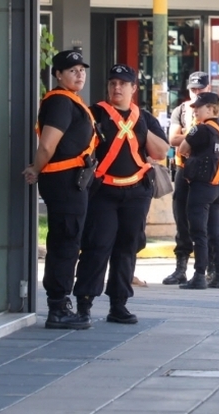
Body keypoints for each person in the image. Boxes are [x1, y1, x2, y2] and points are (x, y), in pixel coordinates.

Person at [73, 65, 169, 325]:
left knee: (127, 248)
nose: (117, 88)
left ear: (133, 89)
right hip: (103, 191)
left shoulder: (145, 117)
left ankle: (119, 304)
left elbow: (161, 152)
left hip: (136, 192)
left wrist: (136, 124)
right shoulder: (95, 113)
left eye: (123, 84)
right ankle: (84, 304)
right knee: (97, 246)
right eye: (113, 83)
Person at [23, 50, 97, 330]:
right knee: (65, 242)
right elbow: (46, 145)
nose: (79, 75)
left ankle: (60, 303)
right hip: (64, 181)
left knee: (69, 240)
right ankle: (58, 306)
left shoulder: (71, 102)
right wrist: (35, 169)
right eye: (72, 70)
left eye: (81, 70)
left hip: (72, 180)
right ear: (58, 75)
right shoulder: (59, 102)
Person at [163, 71, 219, 285]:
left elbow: (186, 143)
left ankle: (206, 271)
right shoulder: (181, 110)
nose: (196, 93)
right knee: (183, 220)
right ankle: (182, 267)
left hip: (206, 177)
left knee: (204, 226)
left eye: (201, 89)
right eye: (193, 90)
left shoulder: (213, 115)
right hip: (185, 172)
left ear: (208, 90)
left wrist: (191, 137)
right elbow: (172, 139)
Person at [177, 92, 219, 289]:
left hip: (201, 187)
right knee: (215, 234)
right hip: (217, 188)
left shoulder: (200, 129)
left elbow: (182, 149)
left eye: (198, 107)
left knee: (198, 232)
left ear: (210, 108)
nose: (195, 110)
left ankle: (199, 275)